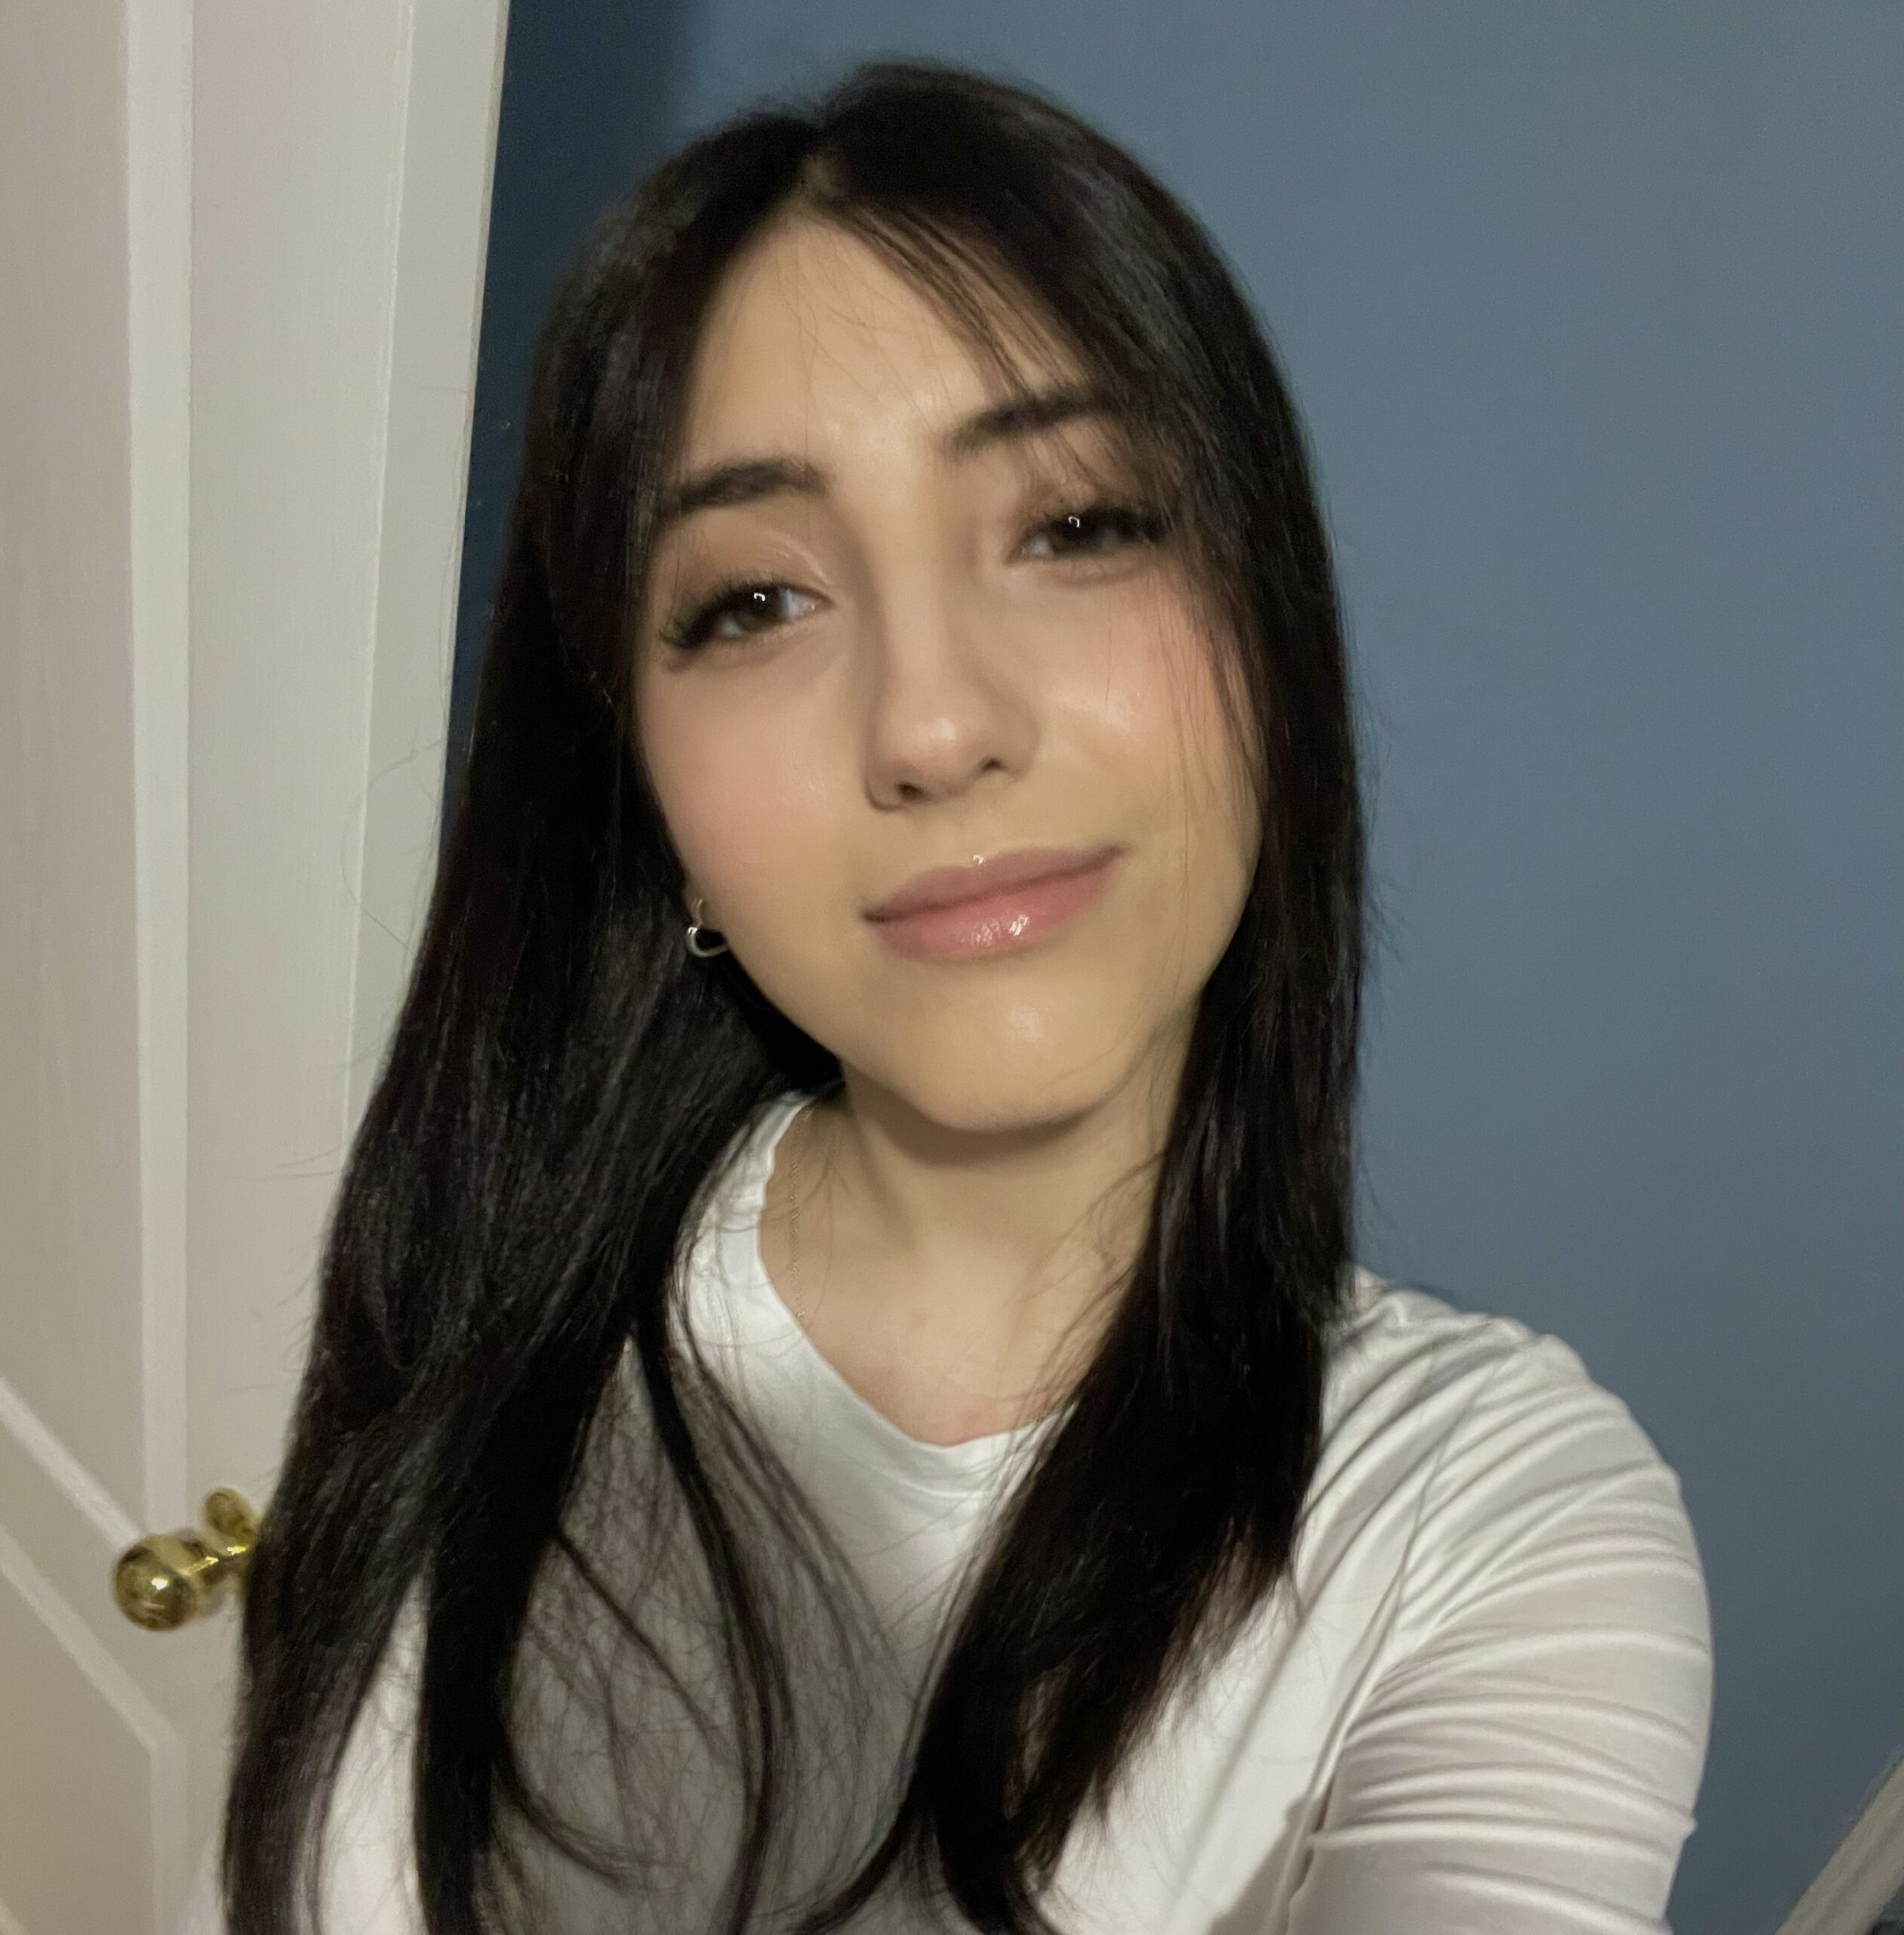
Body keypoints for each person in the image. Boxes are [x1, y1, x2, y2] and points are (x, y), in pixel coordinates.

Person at [184, 59, 1712, 1935]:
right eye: (753, 601)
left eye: (1074, 524)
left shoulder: (1490, 1522)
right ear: (650, 801)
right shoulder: (487, 1287)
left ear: (1268, 633)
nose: (930, 722)